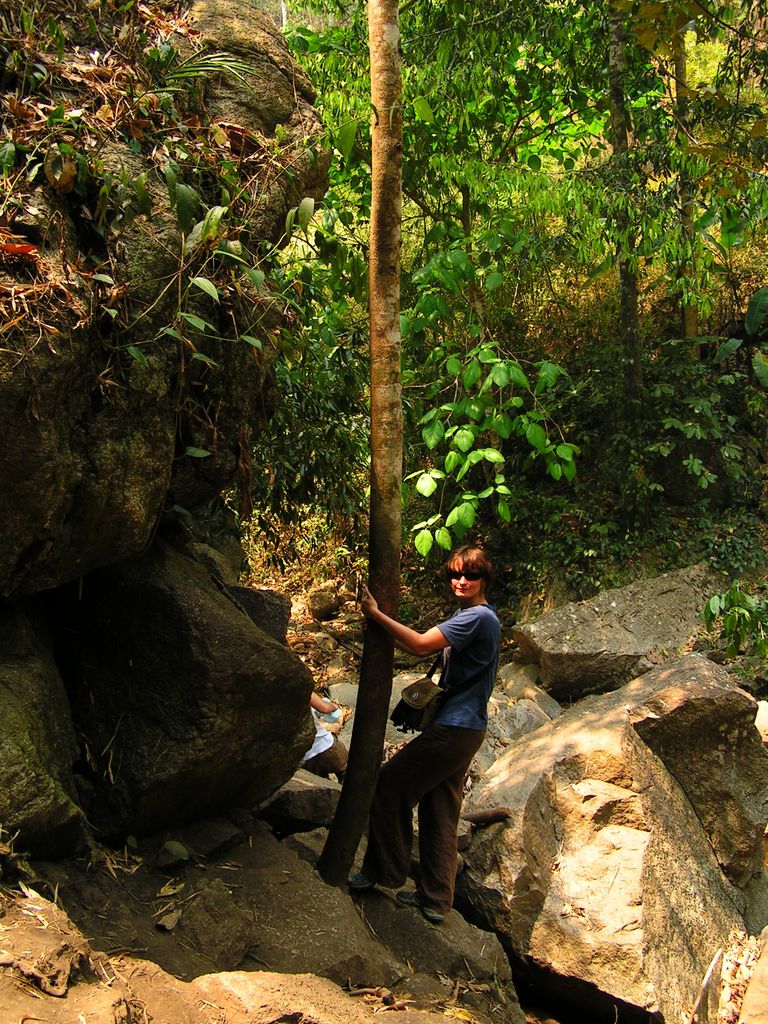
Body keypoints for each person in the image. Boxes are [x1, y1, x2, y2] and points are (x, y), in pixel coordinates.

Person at [348, 545, 500, 924]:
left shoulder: (476, 618)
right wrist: (378, 624)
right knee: (441, 811)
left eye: (471, 575)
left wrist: (377, 614)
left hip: (455, 728)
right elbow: (417, 648)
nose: (461, 581)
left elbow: (417, 643)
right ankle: (435, 898)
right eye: (455, 575)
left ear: (485, 580)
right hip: (466, 728)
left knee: (389, 784)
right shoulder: (473, 616)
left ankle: (384, 872)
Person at [302, 692, 348, 783]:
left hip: (307, 759)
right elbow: (325, 708)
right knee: (347, 772)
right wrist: (334, 706)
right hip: (327, 747)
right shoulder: (298, 684)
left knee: (321, 785)